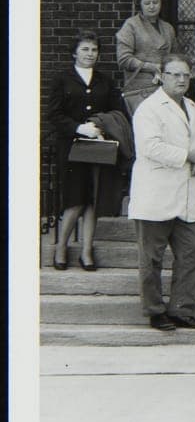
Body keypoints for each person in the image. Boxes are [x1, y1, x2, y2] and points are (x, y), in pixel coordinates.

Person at [128, 54, 195, 331]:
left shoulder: (191, 106)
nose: (181, 80)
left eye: (185, 75)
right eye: (174, 74)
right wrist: (190, 156)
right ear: (161, 77)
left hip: (188, 196)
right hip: (156, 196)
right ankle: (155, 311)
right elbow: (150, 148)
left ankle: (181, 309)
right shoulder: (149, 108)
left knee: (193, 254)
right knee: (151, 258)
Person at [48, 31, 127, 270]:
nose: (90, 54)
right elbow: (53, 114)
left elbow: (117, 112)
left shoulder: (105, 81)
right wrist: (78, 127)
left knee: (93, 200)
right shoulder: (62, 79)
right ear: (74, 52)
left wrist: (102, 127)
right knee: (75, 201)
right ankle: (61, 247)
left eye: (94, 50)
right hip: (72, 147)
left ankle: (86, 251)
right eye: (85, 49)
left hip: (97, 147)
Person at [115, 0, 177, 115]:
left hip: (165, 89)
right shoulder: (131, 25)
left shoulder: (168, 28)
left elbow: (175, 57)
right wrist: (150, 66)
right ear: (140, 4)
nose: (151, 6)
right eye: (147, 3)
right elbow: (123, 59)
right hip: (139, 92)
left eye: (155, 2)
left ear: (161, 2)